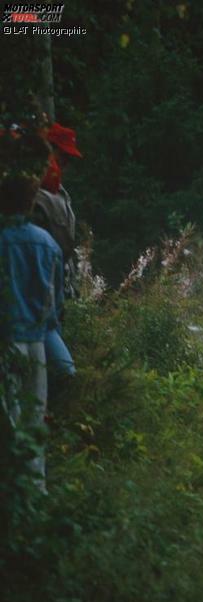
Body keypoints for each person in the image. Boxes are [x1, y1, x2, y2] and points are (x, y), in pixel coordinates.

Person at [1, 128, 63, 491]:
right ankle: (35, 492)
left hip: (6, 340)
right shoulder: (47, 243)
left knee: (8, 420)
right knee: (33, 418)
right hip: (37, 342)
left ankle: (12, 498)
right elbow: (55, 301)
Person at [32, 122, 81, 298]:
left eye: (69, 159)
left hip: (60, 287)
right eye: (63, 155)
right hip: (40, 287)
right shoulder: (31, 192)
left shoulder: (61, 192)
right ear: (48, 149)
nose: (66, 163)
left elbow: (66, 244)